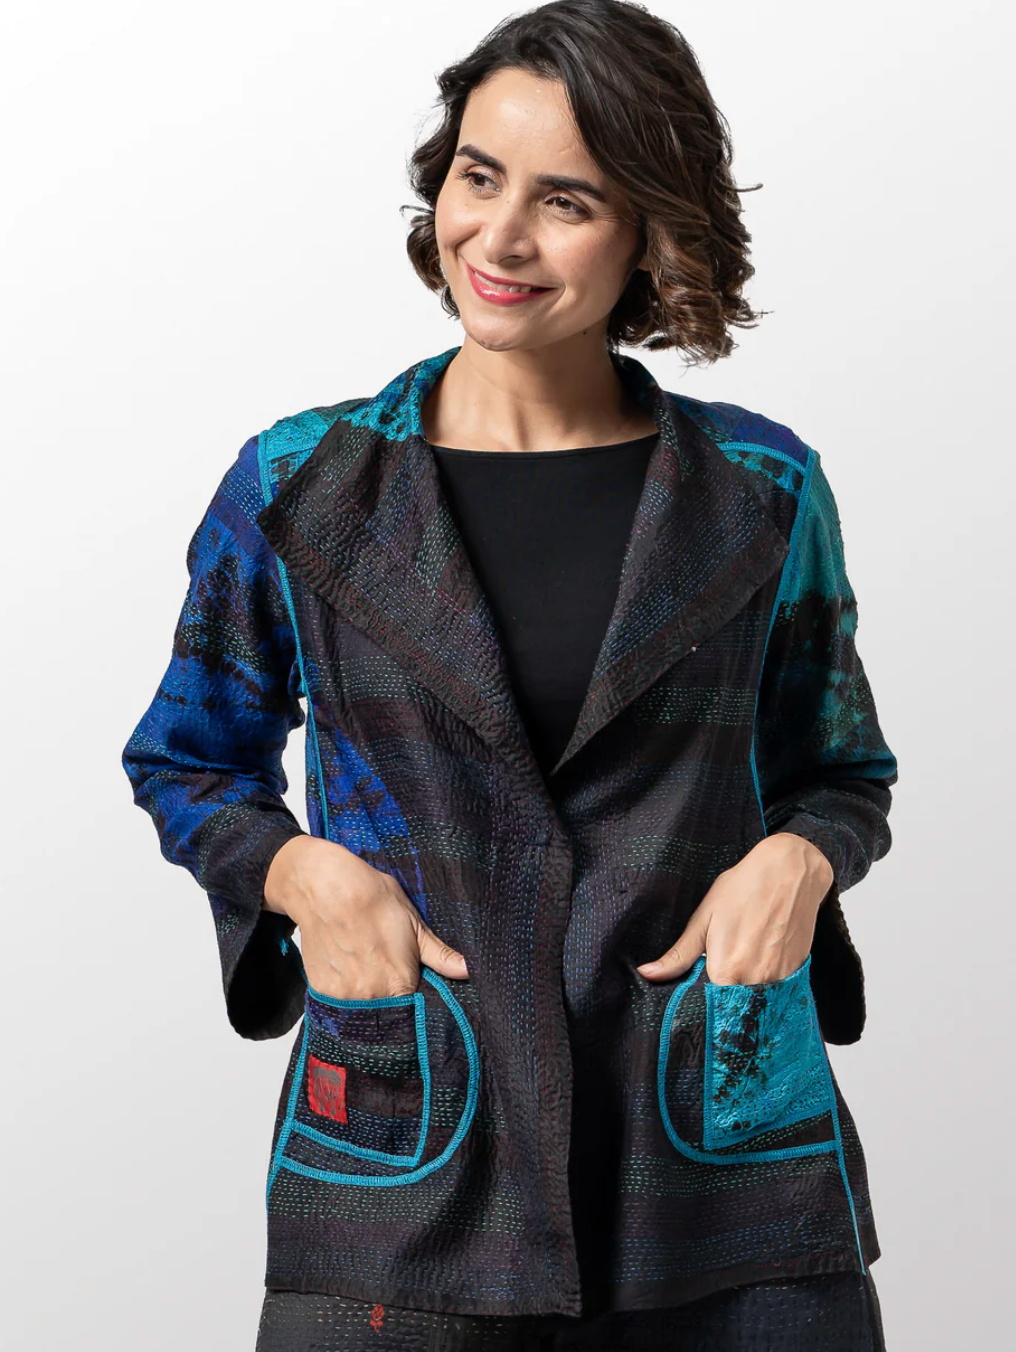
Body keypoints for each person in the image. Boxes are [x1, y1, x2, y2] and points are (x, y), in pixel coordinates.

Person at [121, 2, 897, 1348]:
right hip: (411, 1158)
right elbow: (188, 758)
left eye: (567, 201)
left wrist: (799, 862)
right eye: (479, 178)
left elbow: (841, 771)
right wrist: (303, 877)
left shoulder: (760, 490)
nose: (501, 237)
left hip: (721, 1169)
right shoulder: (303, 486)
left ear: (651, 231)